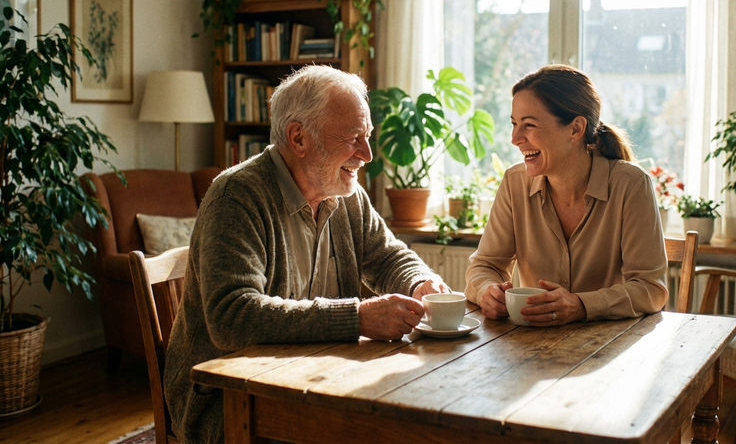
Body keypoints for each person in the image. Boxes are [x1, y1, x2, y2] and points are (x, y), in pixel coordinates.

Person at [164, 65, 449, 443]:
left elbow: (388, 256)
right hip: (228, 400)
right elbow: (232, 317)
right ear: (298, 138)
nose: (366, 154)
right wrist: (357, 318)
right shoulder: (236, 196)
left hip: (315, 377)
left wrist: (419, 283)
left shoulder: (344, 193)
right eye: (352, 137)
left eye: (367, 136)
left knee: (418, 413)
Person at [464, 64, 667, 325]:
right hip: (528, 347)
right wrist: (487, 292)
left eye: (529, 125)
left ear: (575, 129)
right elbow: (484, 266)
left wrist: (581, 305)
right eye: (514, 124)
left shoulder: (631, 185)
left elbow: (651, 289)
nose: (515, 138)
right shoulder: (515, 183)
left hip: (609, 347)